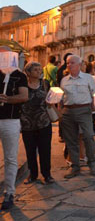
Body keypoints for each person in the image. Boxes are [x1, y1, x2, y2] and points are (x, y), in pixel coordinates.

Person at [59, 55, 95, 179]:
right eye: (67, 63)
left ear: (79, 64)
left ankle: (91, 162)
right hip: (68, 111)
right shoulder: (64, 80)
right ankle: (75, 166)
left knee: (88, 136)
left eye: (72, 62)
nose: (69, 65)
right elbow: (61, 96)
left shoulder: (88, 78)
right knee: (70, 140)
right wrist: (59, 110)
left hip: (84, 110)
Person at [0, 46, 28, 210]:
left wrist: (8, 99)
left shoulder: (19, 75)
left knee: (10, 158)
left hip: (10, 120)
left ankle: (9, 192)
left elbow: (24, 96)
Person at [21, 61, 54, 185]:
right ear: (28, 72)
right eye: (35, 70)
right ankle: (32, 174)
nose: (39, 71)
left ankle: (47, 174)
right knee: (30, 150)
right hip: (27, 123)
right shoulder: (23, 85)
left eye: (40, 69)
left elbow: (50, 99)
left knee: (45, 149)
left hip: (43, 122)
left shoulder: (45, 84)